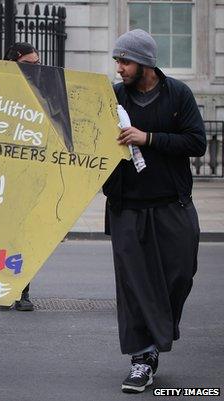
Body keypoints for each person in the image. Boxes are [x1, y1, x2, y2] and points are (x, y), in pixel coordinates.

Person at [104, 29, 206, 393]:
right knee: (135, 285)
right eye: (118, 60)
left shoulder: (178, 94)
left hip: (172, 202)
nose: (119, 68)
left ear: (145, 62)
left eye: (125, 61)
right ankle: (142, 358)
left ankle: (160, 328)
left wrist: (147, 138)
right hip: (127, 205)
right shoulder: (112, 96)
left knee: (181, 273)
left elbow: (196, 142)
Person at [0, 42, 40, 312]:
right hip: (1, 175)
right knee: (3, 236)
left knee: (26, 236)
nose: (35, 69)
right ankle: (3, 290)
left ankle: (23, 291)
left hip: (30, 175)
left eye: (38, 64)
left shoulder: (41, 91)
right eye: (29, 64)